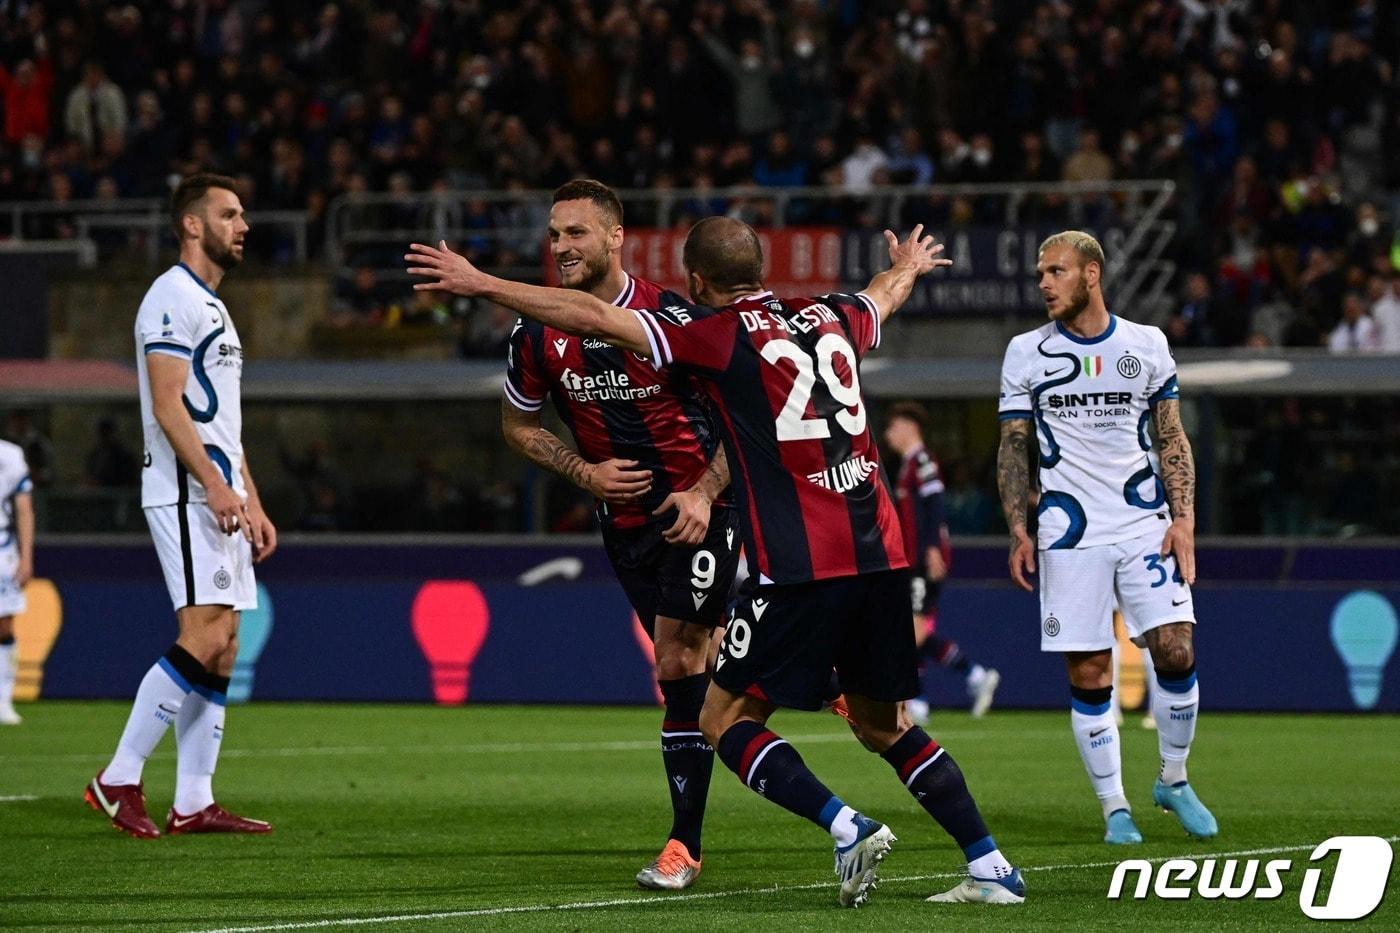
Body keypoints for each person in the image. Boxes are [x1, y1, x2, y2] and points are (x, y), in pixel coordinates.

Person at [408, 219, 1026, 908]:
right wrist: (909, 263)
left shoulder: (714, 334)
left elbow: (590, 315)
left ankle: (846, 825)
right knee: (886, 725)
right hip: (881, 557)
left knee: (719, 718)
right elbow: (882, 294)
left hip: (801, 565)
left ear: (697, 284)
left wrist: (482, 282)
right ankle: (991, 864)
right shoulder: (830, 316)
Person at [500, 180, 738, 890]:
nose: (562, 247)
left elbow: (739, 423)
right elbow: (518, 427)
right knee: (707, 672)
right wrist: (584, 472)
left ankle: (683, 844)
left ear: (614, 236)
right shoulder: (535, 334)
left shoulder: (674, 319)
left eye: (576, 233)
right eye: (554, 235)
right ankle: (816, 675)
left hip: (698, 512)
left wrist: (703, 490)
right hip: (624, 527)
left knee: (676, 660)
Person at [996, 230, 1217, 845]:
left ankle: (1172, 778)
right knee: (1091, 671)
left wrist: (1184, 517)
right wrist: (1018, 527)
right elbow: (1014, 446)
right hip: (1068, 533)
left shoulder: (1145, 345)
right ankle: (1115, 806)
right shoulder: (1025, 352)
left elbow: (1171, 437)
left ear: (1091, 274)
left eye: (1056, 271)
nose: (1043, 283)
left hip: (1143, 523)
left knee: (1176, 648)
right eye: (1041, 272)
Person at [85, 174, 277, 839]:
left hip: (219, 491)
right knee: (203, 633)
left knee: (224, 645)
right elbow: (169, 406)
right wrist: (217, 487)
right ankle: (118, 776)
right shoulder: (170, 296)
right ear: (192, 225)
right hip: (185, 489)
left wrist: (247, 495)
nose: (242, 224)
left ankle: (193, 797)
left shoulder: (215, 308)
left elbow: (223, 421)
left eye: (243, 213)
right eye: (229, 213)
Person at [882, 402, 1000, 722]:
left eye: (892, 428)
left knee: (911, 632)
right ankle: (975, 675)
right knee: (915, 631)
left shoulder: (922, 462)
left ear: (909, 427)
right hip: (911, 560)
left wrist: (932, 547)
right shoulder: (907, 465)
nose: (888, 436)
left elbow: (935, 505)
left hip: (921, 560)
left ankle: (917, 701)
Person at [0, 438, 34, 725]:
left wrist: (26, 557)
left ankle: (3, 699)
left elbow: (24, 508)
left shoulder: (9, 455)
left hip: (2, 548)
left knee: (4, 625)